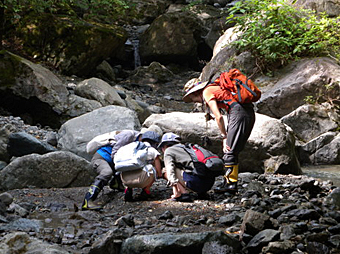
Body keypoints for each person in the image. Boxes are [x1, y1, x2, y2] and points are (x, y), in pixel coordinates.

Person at [182, 79, 255, 194]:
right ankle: (229, 183)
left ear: (195, 93)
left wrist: (224, 136)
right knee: (233, 151)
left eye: (192, 99)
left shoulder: (206, 92)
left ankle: (230, 185)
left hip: (238, 113)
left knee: (229, 150)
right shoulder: (215, 88)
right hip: (247, 112)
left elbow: (219, 117)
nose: (194, 102)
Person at [82, 129, 142, 210]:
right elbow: (115, 152)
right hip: (101, 158)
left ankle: (116, 184)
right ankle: (88, 201)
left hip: (111, 160)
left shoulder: (139, 143)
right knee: (107, 172)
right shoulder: (129, 135)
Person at [159, 132, 216, 202]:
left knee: (165, 170)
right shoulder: (188, 147)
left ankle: (183, 193)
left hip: (196, 183)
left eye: (162, 148)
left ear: (165, 146)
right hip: (209, 183)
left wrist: (175, 190)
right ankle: (202, 193)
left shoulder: (169, 150)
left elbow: (170, 170)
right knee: (192, 168)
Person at [120, 131, 163, 202]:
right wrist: (159, 175)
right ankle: (146, 190)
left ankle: (127, 189)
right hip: (141, 181)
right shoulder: (152, 150)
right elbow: (158, 170)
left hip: (125, 180)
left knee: (128, 167)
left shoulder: (131, 148)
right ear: (155, 143)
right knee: (153, 168)